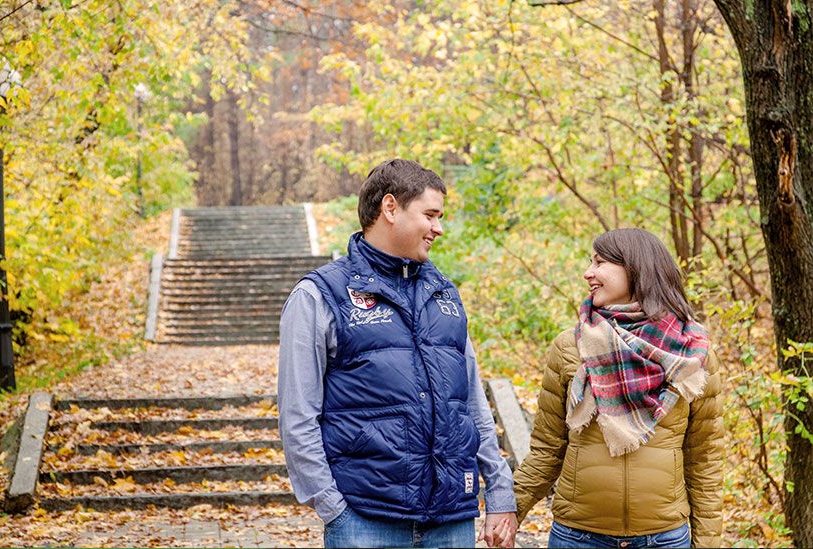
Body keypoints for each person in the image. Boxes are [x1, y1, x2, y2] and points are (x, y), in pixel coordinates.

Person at [278, 159, 518, 548]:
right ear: (390, 208)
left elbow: (472, 405)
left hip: (451, 520)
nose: (439, 228)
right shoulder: (318, 295)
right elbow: (298, 416)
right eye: (430, 215)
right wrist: (333, 507)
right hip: (364, 521)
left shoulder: (445, 295)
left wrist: (500, 492)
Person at [513, 228, 723, 548]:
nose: (588, 273)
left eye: (599, 263)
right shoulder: (571, 347)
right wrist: (510, 511)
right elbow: (547, 448)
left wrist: (706, 542)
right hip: (578, 536)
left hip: (663, 538)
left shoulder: (692, 353)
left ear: (636, 268)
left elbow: (704, 459)